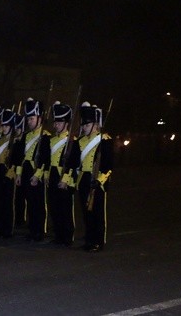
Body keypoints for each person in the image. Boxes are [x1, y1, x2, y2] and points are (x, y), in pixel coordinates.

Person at [76, 102, 114, 252]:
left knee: (97, 213)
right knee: (86, 213)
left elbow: (108, 165)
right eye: (83, 125)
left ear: (95, 124)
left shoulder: (104, 140)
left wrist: (99, 181)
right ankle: (89, 239)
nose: (84, 127)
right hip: (83, 178)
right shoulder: (80, 141)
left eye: (87, 125)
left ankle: (98, 241)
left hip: (97, 180)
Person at [15, 98, 51, 242]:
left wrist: (37, 175)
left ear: (39, 119)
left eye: (32, 118)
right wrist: (18, 174)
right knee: (29, 203)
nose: (29, 121)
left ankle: (40, 231)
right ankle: (32, 229)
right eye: (28, 118)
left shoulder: (45, 136)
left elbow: (45, 159)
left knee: (39, 204)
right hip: (25, 170)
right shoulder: (26, 136)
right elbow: (20, 157)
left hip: (37, 172)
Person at [47, 102, 80, 247]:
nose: (56, 125)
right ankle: (58, 235)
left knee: (65, 209)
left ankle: (67, 237)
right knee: (54, 207)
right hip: (53, 174)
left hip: (65, 176)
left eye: (60, 122)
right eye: (56, 122)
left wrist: (66, 179)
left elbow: (74, 163)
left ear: (66, 123)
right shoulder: (52, 140)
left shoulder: (71, 141)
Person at [0, 109, 18, 238]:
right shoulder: (0, 140)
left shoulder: (15, 141)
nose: (4, 128)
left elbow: (16, 160)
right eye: (3, 125)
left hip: (9, 172)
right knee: (0, 202)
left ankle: (8, 229)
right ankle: (2, 228)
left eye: (6, 126)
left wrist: (10, 174)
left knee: (8, 203)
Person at [13, 113, 27, 226]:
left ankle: (22, 218)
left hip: (24, 170)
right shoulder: (15, 140)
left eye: (18, 127)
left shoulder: (24, 139)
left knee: (23, 197)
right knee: (17, 197)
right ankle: (18, 217)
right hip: (16, 170)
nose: (16, 130)